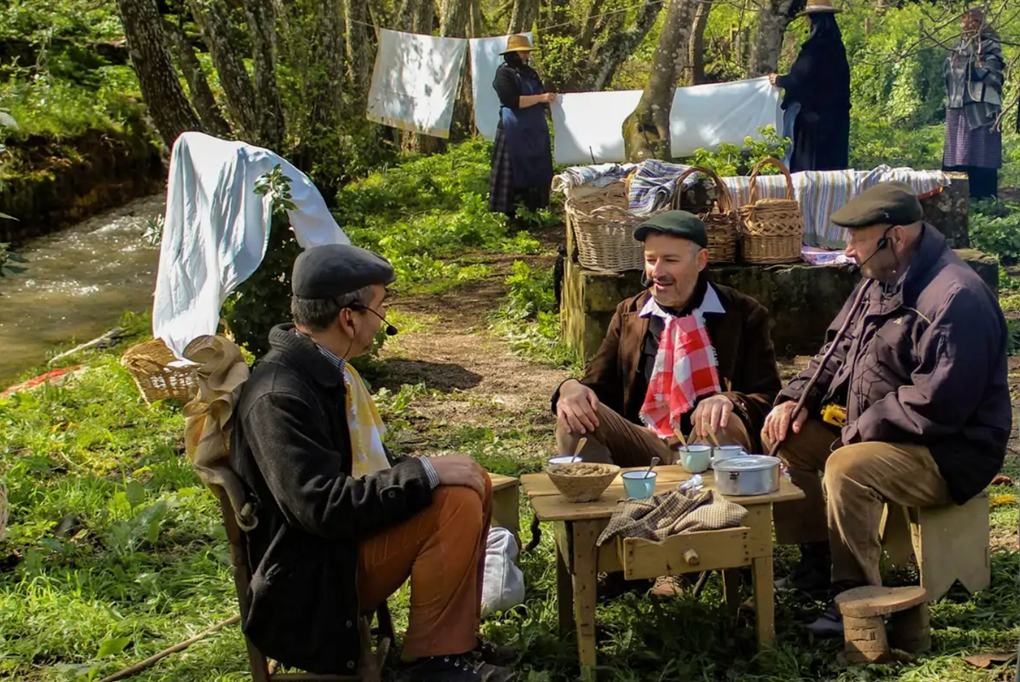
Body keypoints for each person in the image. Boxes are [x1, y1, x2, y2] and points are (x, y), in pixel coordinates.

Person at [230, 244, 514, 682]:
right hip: (311, 579)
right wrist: (424, 472)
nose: (381, 325)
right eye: (380, 311)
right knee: (454, 501)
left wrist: (423, 469)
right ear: (349, 317)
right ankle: (431, 663)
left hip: (337, 550)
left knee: (472, 483)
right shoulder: (279, 396)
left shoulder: (326, 371)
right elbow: (321, 508)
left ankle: (454, 643)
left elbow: (366, 464)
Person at [762, 182, 1012, 636]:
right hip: (881, 430)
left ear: (894, 238)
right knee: (786, 437)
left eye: (857, 239)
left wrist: (862, 428)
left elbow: (940, 403)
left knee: (847, 466)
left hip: (950, 449)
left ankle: (857, 600)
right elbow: (833, 350)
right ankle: (818, 561)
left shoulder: (958, 298)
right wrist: (796, 400)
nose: (848, 250)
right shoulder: (877, 278)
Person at [552, 210, 782, 473]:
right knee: (575, 418)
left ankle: (714, 512)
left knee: (720, 421)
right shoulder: (630, 313)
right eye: (650, 260)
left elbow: (769, 397)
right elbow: (597, 387)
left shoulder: (744, 314)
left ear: (700, 260)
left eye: (670, 260)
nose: (657, 272)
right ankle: (605, 510)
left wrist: (729, 401)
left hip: (709, 442)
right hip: (646, 441)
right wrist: (569, 388)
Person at [767, 0, 851, 173]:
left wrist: (779, 80)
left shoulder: (814, 48)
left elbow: (798, 80)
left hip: (814, 123)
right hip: (838, 121)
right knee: (833, 172)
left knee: (810, 171)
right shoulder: (838, 48)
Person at [488, 34, 555, 219]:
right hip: (513, 130)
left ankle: (533, 211)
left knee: (536, 169)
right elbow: (512, 101)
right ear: (513, 53)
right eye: (523, 52)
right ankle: (510, 215)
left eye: (527, 52)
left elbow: (540, 94)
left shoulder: (530, 72)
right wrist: (541, 98)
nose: (526, 55)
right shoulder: (504, 74)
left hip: (535, 128)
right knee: (513, 172)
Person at [943, 7, 1005, 199]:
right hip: (958, 107)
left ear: (983, 24)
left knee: (982, 152)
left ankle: (983, 197)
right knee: (958, 152)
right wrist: (970, 67)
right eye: (967, 21)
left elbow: (994, 75)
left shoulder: (991, 46)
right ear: (961, 23)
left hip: (982, 110)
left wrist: (973, 69)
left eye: (976, 22)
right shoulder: (956, 47)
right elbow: (947, 72)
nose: (970, 25)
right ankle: (957, 195)